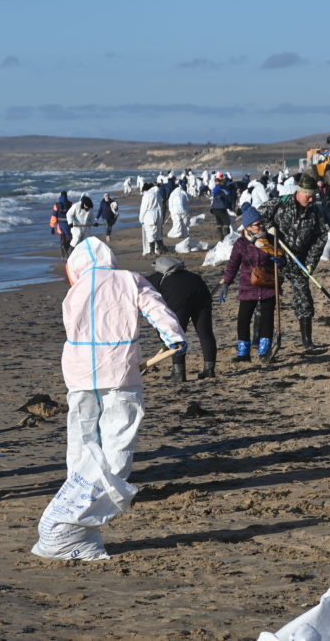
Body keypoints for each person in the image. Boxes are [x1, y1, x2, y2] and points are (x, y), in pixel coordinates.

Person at [60, 237, 186, 478]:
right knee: (119, 429)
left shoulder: (76, 290)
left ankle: (81, 481)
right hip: (120, 368)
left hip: (79, 370)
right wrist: (174, 336)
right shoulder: (129, 279)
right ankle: (113, 482)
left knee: (82, 430)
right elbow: (156, 307)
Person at [257, 175, 330, 349]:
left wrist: (311, 263)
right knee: (265, 298)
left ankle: (307, 340)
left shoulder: (316, 213)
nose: (311, 199)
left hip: (298, 262)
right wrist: (268, 227)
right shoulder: (280, 203)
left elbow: (320, 239)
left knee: (304, 298)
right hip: (276, 258)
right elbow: (257, 216)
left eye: (314, 196)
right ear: (299, 192)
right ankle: (258, 338)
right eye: (308, 196)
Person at [217, 207, 284, 362]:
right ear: (247, 227)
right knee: (243, 319)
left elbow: (283, 259)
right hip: (248, 286)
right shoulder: (241, 244)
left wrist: (280, 261)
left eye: (261, 223)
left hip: (268, 284)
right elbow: (232, 265)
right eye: (256, 224)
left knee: (267, 319)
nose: (261, 226)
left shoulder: (270, 240)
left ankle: (264, 352)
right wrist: (226, 283)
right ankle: (243, 353)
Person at [146, 257, 218, 381]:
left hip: (179, 299)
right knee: (205, 332)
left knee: (177, 334)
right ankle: (209, 370)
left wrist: (163, 337)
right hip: (201, 292)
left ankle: (179, 373)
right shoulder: (192, 276)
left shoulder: (155, 278)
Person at [139, 182, 165, 255]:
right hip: (159, 215)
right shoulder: (158, 194)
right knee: (158, 233)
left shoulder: (147, 196)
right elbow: (162, 204)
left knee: (150, 234)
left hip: (149, 217)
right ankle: (161, 249)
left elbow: (143, 209)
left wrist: (141, 219)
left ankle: (152, 251)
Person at [210, 175, 234, 242]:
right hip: (220, 207)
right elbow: (229, 200)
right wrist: (230, 208)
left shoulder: (216, 189)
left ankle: (221, 239)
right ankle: (226, 239)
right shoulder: (225, 190)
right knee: (226, 222)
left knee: (219, 223)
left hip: (214, 208)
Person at [50, 191, 73, 259]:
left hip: (60, 225)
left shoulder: (56, 205)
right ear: (66, 196)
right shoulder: (71, 204)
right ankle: (69, 253)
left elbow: (54, 216)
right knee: (69, 238)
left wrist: (52, 226)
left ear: (60, 196)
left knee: (62, 238)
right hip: (69, 224)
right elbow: (74, 215)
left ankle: (64, 255)